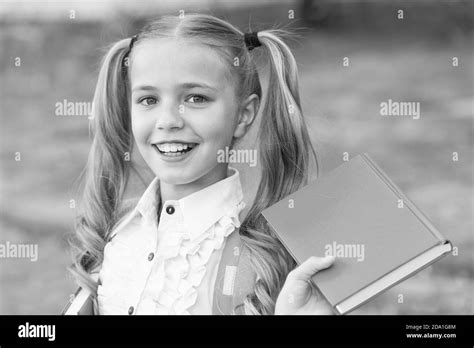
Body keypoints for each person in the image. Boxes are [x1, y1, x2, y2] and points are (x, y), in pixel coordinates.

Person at [68, 13, 336, 315]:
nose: (168, 120)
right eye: (148, 100)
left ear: (244, 115)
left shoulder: (266, 261)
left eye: (196, 98)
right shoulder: (113, 235)